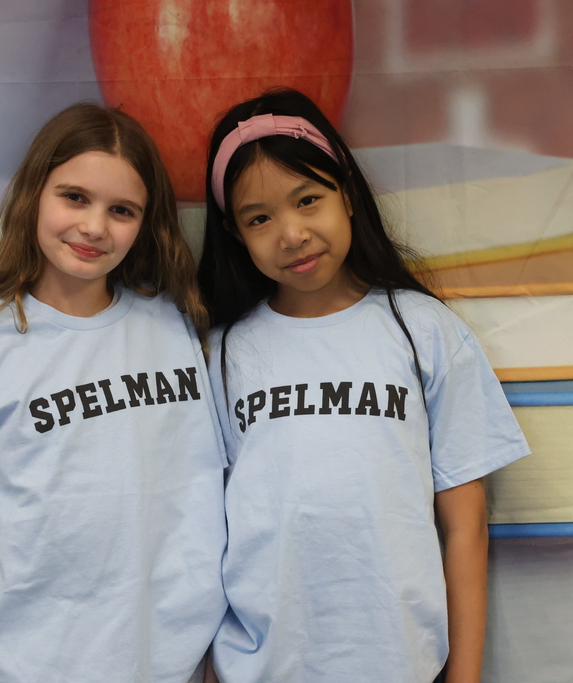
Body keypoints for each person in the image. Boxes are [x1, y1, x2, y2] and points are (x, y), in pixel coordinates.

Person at [0, 103, 227, 683]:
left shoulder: (177, 328)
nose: (94, 227)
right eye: (75, 197)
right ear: (34, 195)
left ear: (146, 222)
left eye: (122, 210)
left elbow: (204, 503)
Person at [197, 89, 530, 683]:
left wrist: (466, 674)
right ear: (234, 231)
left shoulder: (423, 330)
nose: (292, 234)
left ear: (346, 192)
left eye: (308, 200)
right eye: (260, 218)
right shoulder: (221, 355)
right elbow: (204, 533)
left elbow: (464, 525)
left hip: (401, 663)